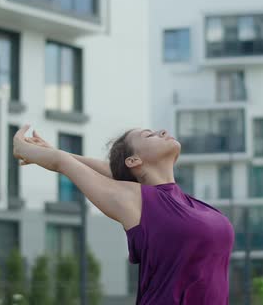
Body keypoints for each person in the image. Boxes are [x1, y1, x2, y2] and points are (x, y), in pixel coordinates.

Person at [13, 125, 234, 304]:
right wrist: (22, 147)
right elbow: (63, 163)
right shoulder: (137, 201)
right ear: (134, 160)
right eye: (150, 135)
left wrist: (59, 152)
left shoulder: (182, 202)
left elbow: (114, 171)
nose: (163, 132)